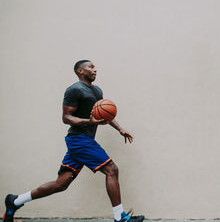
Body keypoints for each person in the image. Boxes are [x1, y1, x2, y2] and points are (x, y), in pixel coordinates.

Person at [2, 60, 144, 222]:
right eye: (90, 67)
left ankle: (15, 201)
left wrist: (120, 129)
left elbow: (105, 115)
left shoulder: (97, 91)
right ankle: (120, 217)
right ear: (79, 71)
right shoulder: (74, 90)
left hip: (82, 141)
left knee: (60, 184)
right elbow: (66, 118)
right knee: (112, 170)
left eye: (95, 67)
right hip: (79, 140)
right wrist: (89, 122)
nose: (95, 70)